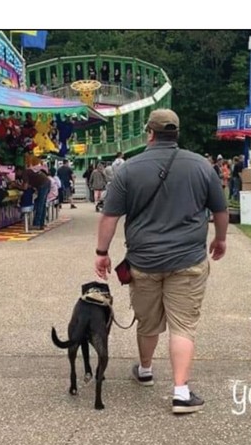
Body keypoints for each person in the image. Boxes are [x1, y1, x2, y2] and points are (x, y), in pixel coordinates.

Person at [94, 109, 228, 415]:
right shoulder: (201, 166)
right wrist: (220, 239)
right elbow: (220, 210)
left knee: (148, 322)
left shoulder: (128, 169)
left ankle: (144, 369)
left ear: (149, 133)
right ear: (176, 133)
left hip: (144, 262)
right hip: (189, 260)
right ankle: (181, 392)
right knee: (183, 325)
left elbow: (110, 216)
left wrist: (101, 253)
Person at [24, 165, 52, 230]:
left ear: (18, 171)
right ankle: (41, 223)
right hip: (46, 183)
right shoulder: (30, 171)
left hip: (43, 185)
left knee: (40, 204)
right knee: (42, 204)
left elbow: (25, 187)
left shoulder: (24, 173)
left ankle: (37, 224)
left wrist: (16, 185)